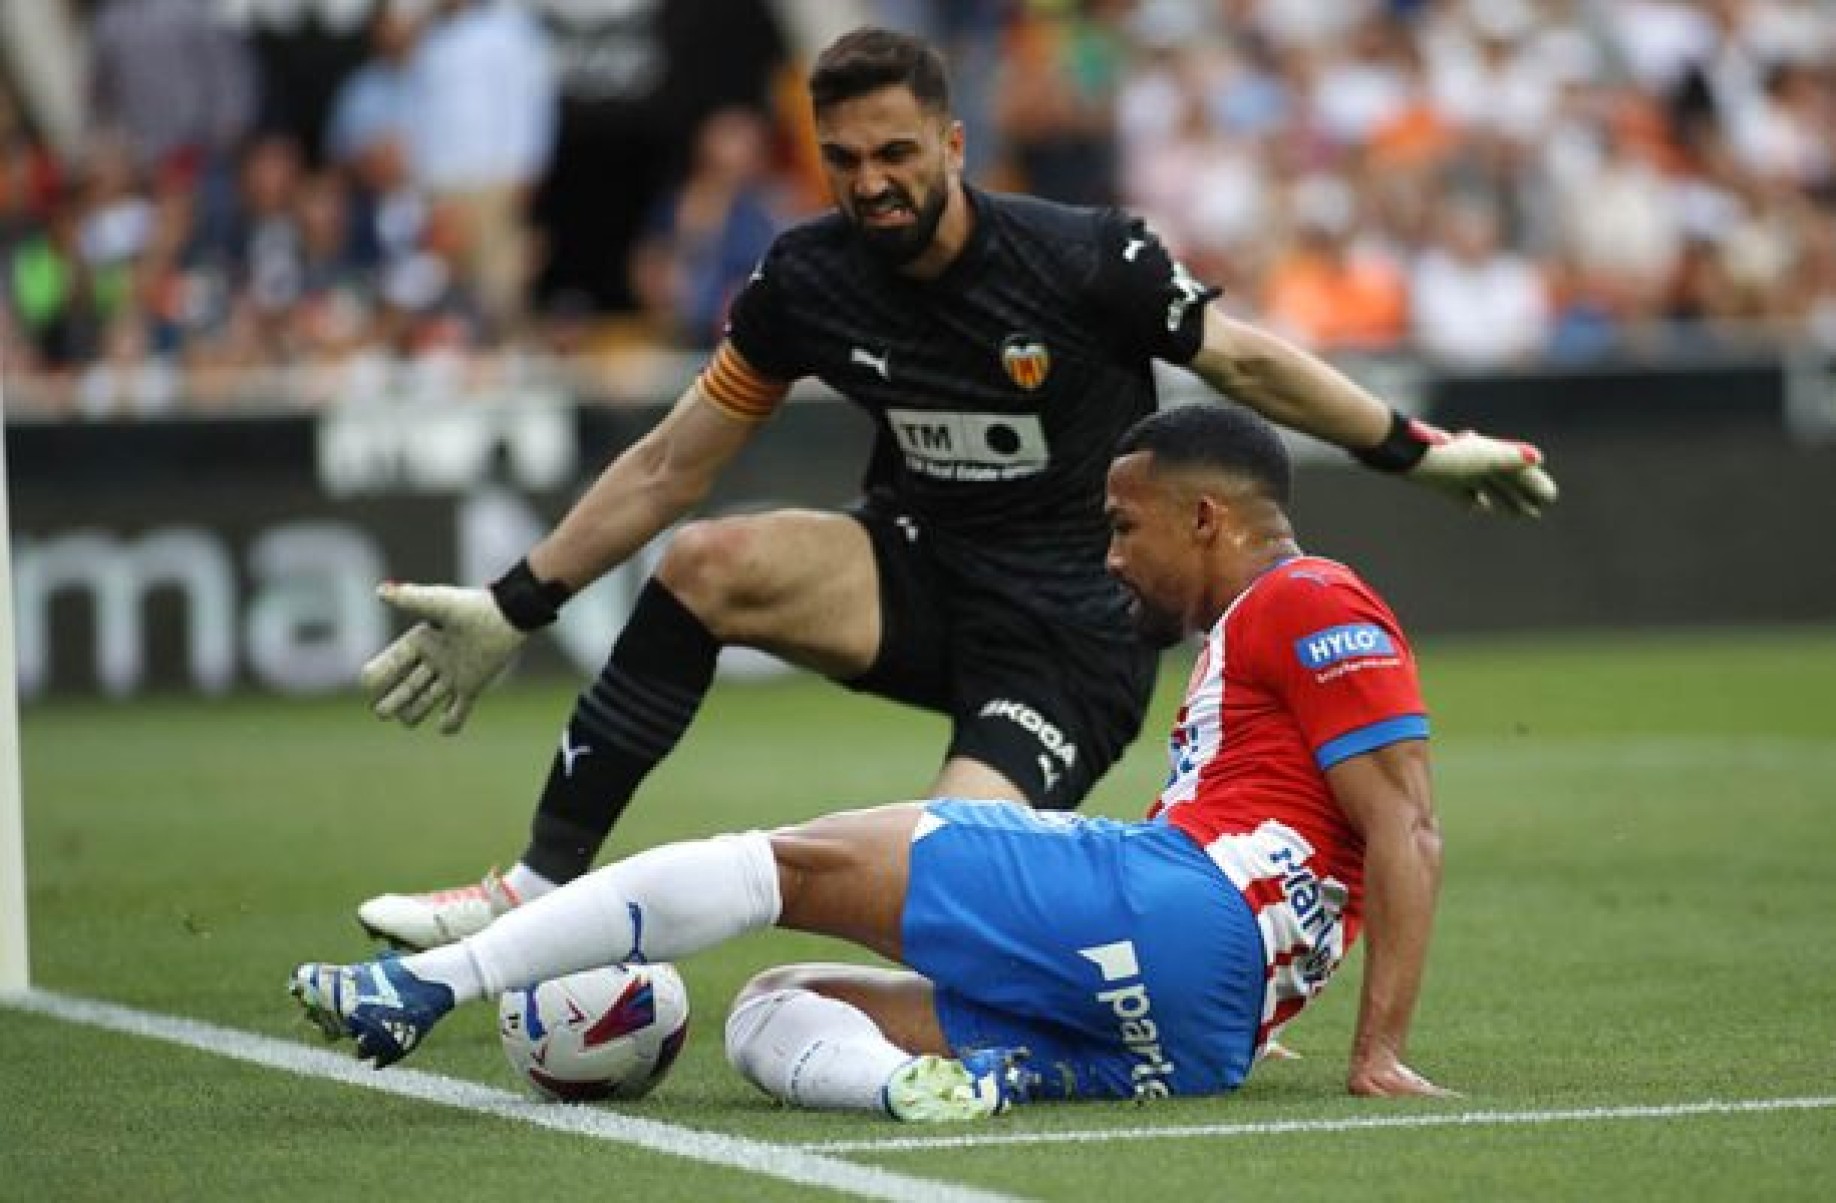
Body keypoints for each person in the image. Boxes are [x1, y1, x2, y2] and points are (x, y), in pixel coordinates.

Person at [351, 27, 1554, 953]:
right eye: (843, 161)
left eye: (895, 155)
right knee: (709, 563)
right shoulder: (807, 280)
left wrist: (1417, 448)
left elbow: (1242, 359)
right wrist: (518, 602)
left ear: (954, 145)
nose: (870, 183)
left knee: (940, 887)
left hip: (1070, 637)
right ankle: (533, 889)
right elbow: (676, 461)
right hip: (917, 573)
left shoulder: (1083, 256)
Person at [292, 402, 1451, 1118]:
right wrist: (1257, 993)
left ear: (1207, 518)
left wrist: (1379, 1051)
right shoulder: (1245, 636)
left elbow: (1406, 824)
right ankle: (917, 1086)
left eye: (1123, 524)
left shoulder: (1307, 595)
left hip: (1181, 920)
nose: (1109, 556)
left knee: (774, 867)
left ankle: (428, 985)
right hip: (1198, 1032)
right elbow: (1303, 842)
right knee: (775, 1006)